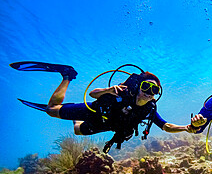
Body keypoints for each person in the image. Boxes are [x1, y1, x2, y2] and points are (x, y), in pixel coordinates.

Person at [12, 61, 195, 153]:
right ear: (138, 86)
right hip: (94, 110)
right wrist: (108, 90)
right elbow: (93, 93)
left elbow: (166, 126)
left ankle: (75, 116)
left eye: (153, 90)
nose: (148, 92)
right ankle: (67, 75)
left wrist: (187, 128)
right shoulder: (123, 91)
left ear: (156, 94)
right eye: (145, 86)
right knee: (51, 110)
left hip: (106, 125)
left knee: (77, 131)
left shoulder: (149, 109)